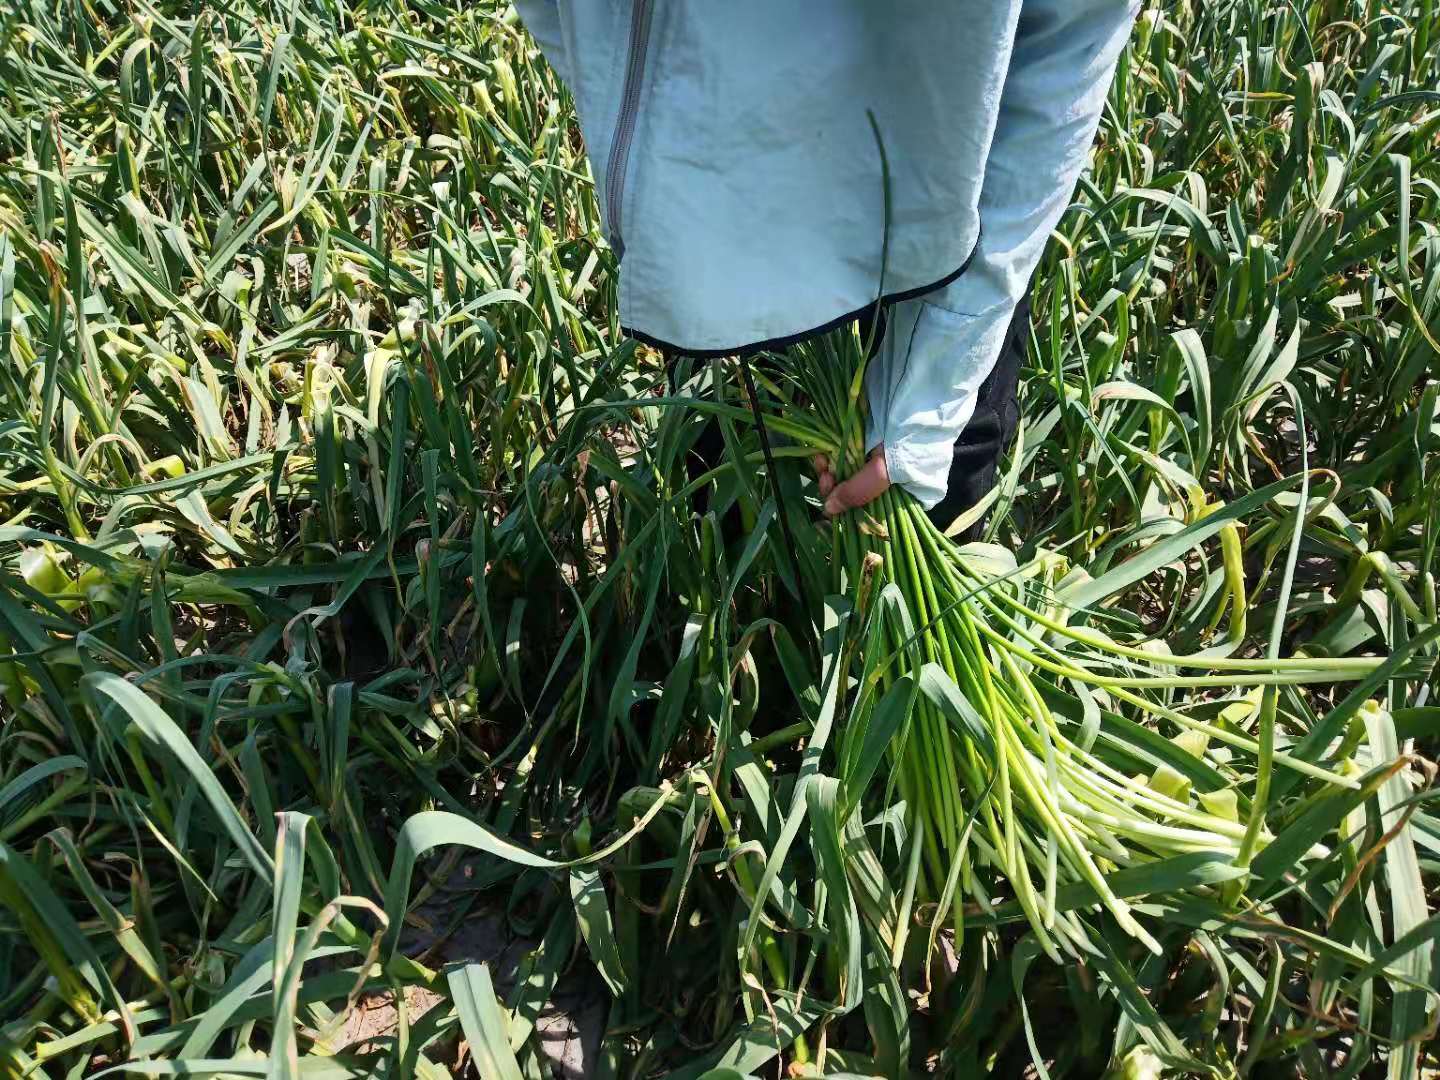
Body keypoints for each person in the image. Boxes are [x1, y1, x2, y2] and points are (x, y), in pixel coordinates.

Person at [512, 0, 1142, 527]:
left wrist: (932, 387)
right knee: (727, 486)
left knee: (937, 484)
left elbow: (1068, 40)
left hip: (944, 238)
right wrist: (666, 154)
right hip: (717, 229)